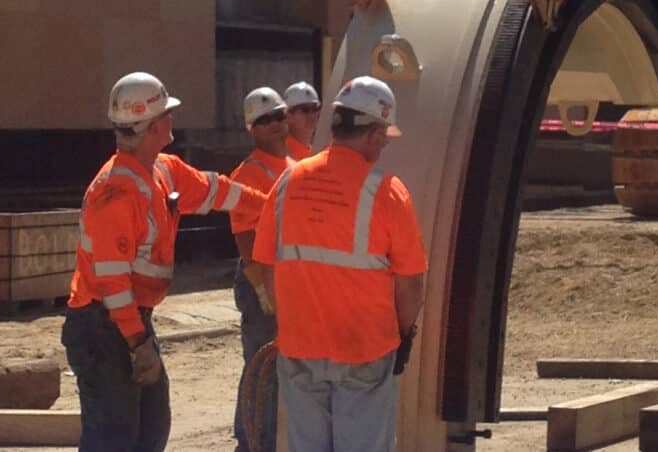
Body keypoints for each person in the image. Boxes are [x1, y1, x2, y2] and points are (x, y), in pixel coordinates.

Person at [62, 71, 268, 452]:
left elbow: (217, 190)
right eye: (168, 113)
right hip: (103, 325)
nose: (173, 119)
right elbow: (112, 283)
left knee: (152, 429)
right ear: (154, 126)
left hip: (127, 321)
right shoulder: (116, 193)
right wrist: (138, 342)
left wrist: (271, 207)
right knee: (114, 439)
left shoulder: (162, 170)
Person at [254, 76, 427, 452]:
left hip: (300, 346)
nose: (383, 144)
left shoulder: (287, 182)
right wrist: (403, 335)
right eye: (383, 136)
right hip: (364, 349)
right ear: (374, 133)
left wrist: (290, 323)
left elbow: (268, 266)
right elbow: (411, 281)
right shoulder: (387, 191)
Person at [228, 87, 292, 452]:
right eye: (265, 120)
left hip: (284, 280)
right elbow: (246, 240)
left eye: (280, 116)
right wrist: (263, 290)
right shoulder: (250, 172)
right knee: (261, 366)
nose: (276, 124)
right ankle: (251, 443)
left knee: (280, 369)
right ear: (251, 128)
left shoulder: (292, 166)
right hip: (260, 281)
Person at [282, 81, 321, 159]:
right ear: (287, 115)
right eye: (305, 110)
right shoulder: (281, 154)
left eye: (315, 109)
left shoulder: (317, 153)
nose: (311, 115)